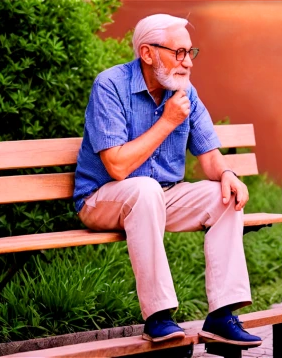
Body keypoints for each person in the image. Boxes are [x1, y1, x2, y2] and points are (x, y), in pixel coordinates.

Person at [73, 14, 261, 346]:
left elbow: (210, 156)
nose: (187, 62)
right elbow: (116, 167)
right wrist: (168, 121)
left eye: (191, 53)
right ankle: (158, 317)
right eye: (179, 53)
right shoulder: (111, 85)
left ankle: (222, 314)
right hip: (103, 198)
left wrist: (228, 174)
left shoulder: (185, 90)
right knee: (144, 189)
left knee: (223, 197)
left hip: (161, 196)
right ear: (147, 53)